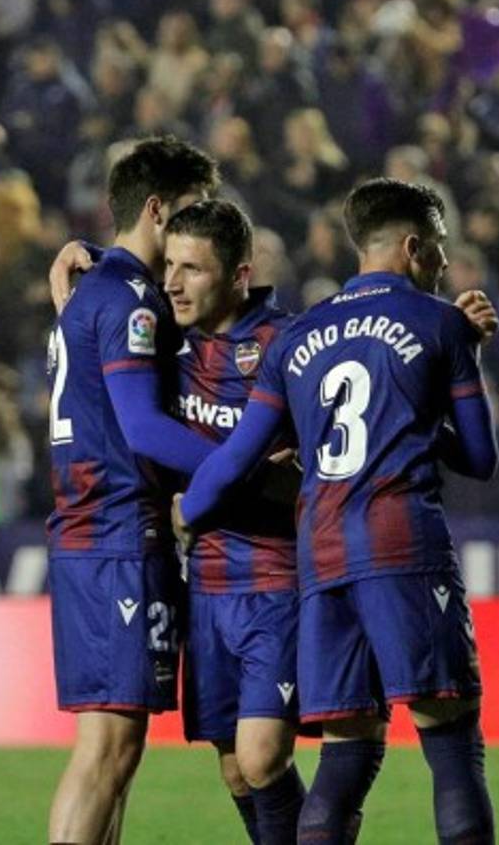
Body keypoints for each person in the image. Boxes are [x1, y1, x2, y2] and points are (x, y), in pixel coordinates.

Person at [175, 179, 499, 844]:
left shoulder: (296, 338)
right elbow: (479, 455)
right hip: (401, 541)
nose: (441, 263)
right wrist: (439, 375)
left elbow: (236, 457)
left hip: (319, 561)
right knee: (452, 741)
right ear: (414, 246)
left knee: (345, 758)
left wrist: (193, 506)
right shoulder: (442, 322)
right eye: (437, 249)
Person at [46, 136, 222, 845]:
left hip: (98, 532)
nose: (198, 225)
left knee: (118, 750)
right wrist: (239, 461)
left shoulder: (92, 293)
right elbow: (145, 429)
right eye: (190, 210)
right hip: (117, 535)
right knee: (107, 752)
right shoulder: (127, 302)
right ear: (156, 209)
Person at [162, 200, 307, 845]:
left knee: (262, 756)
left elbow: (324, 459)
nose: (173, 283)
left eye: (192, 269)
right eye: (169, 265)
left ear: (239, 274)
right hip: (206, 586)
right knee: (235, 771)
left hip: (274, 578)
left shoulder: (287, 345)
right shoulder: (170, 348)